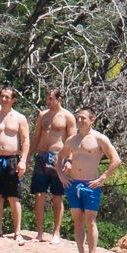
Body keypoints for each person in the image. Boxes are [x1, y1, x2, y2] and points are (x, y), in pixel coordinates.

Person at [57, 108, 121, 253]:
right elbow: (59, 157)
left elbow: (116, 159)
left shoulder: (99, 138)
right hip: (73, 183)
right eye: (78, 118)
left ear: (92, 120)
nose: (79, 121)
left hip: (91, 184)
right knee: (77, 220)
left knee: (90, 221)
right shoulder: (72, 140)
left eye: (83, 118)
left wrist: (103, 177)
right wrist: (61, 175)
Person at [0, 84, 30, 242]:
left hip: (11, 160)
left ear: (13, 100)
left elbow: (26, 140)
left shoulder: (19, 118)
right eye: (2, 96)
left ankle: (17, 232)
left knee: (13, 196)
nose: (3, 99)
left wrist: (23, 161)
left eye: (7, 97)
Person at [30, 87, 76, 241]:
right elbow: (36, 136)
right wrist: (27, 156)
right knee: (39, 194)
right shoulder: (43, 115)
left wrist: (69, 160)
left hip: (58, 158)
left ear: (59, 99)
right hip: (42, 156)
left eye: (51, 98)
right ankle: (40, 232)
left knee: (57, 197)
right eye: (47, 98)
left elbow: (72, 140)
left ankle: (56, 232)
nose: (48, 101)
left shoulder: (68, 117)